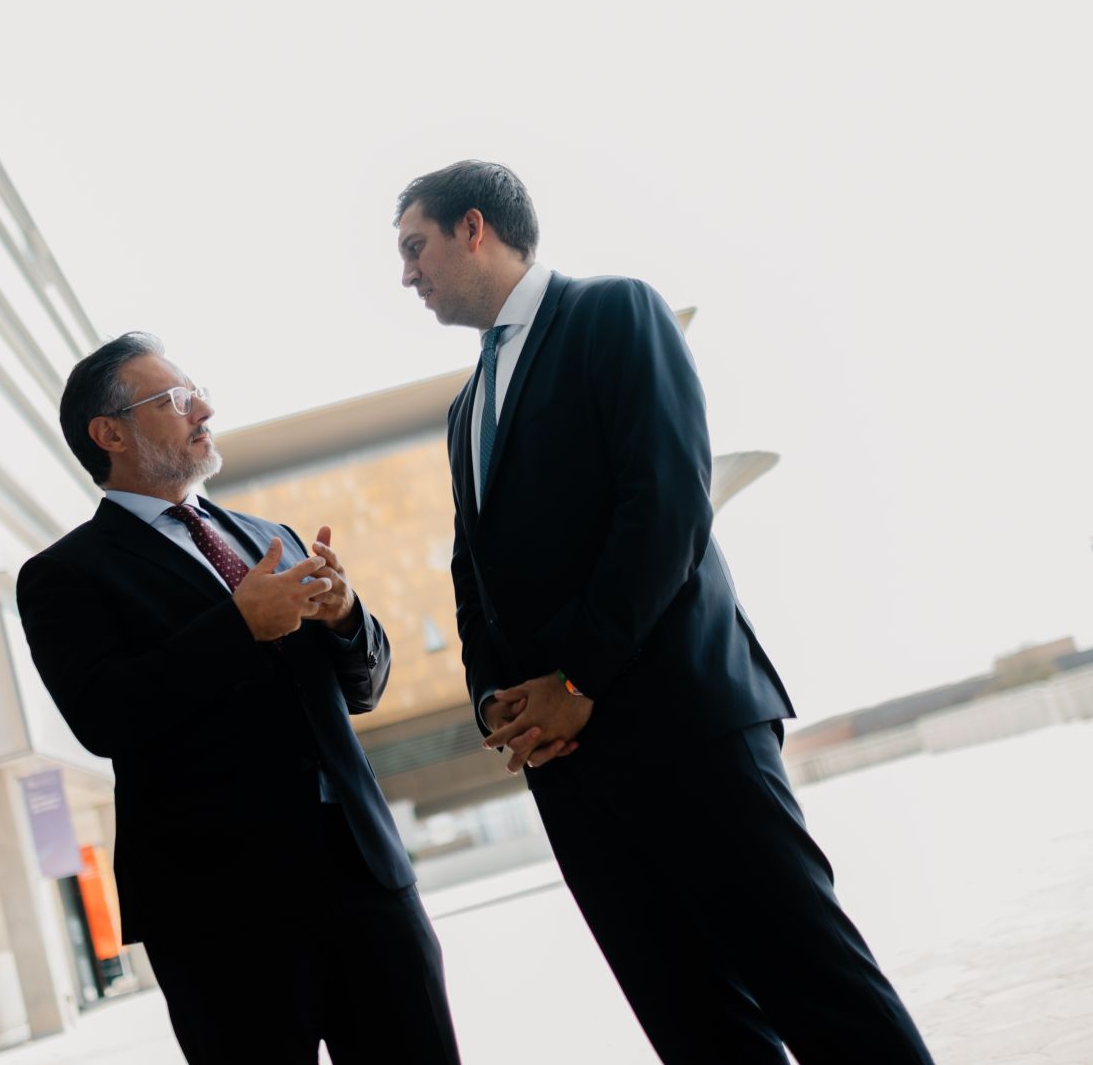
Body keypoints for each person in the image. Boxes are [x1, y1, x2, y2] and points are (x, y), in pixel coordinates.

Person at [394, 161, 934, 1063]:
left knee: (817, 985)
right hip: (570, 767)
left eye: (415, 248)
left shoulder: (615, 312)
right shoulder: (464, 409)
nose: (407, 274)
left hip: (685, 726)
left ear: (474, 227)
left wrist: (577, 676)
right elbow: (471, 569)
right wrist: (495, 696)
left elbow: (668, 502)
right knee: (691, 1021)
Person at [16, 333, 462, 1065]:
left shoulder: (268, 536)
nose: (206, 409)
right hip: (221, 915)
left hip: (366, 881)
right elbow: (104, 714)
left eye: (198, 392)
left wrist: (349, 615)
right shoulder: (63, 576)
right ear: (111, 432)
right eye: (178, 398)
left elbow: (365, 686)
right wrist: (237, 626)